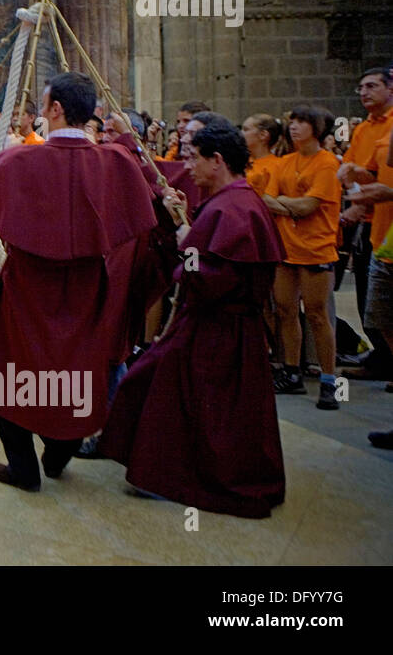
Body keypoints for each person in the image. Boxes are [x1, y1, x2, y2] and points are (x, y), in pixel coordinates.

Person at [0, 71, 156, 493]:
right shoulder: (115, 163)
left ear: (54, 110)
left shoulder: (19, 160)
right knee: (75, 373)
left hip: (28, 289)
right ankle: (57, 456)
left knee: (14, 376)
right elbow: (144, 209)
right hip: (87, 289)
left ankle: (24, 469)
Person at [101, 120, 286, 516]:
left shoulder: (235, 208)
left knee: (188, 400)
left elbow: (215, 278)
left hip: (220, 330)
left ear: (217, 161)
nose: (191, 168)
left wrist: (187, 245)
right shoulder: (229, 202)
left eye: (195, 159)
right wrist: (179, 227)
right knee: (150, 381)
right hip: (209, 324)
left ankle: (174, 476)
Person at [262, 106, 342, 408]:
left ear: (316, 128)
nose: (293, 127)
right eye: (291, 122)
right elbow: (267, 200)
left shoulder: (326, 163)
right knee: (285, 310)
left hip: (315, 247)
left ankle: (330, 380)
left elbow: (310, 207)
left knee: (318, 315)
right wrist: (290, 205)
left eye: (301, 123)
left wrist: (285, 203)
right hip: (286, 247)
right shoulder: (285, 162)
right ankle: (292, 371)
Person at [336, 67, 393, 377]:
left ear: (390, 89)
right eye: (360, 86)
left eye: (372, 85)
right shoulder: (364, 130)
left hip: (386, 218)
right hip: (375, 223)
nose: (364, 92)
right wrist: (356, 198)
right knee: (371, 300)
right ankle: (382, 357)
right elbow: (362, 173)